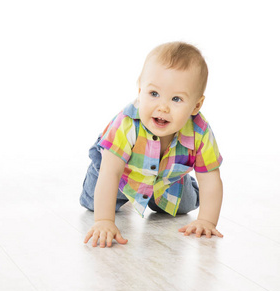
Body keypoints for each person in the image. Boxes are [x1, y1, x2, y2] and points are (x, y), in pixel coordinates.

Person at [80, 42, 224, 248]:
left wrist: (206, 221)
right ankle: (101, 182)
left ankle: (181, 182)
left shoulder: (200, 133)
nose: (163, 107)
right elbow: (110, 173)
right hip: (121, 175)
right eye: (154, 94)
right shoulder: (127, 123)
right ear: (140, 90)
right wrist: (104, 222)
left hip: (166, 179)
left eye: (176, 99)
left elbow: (211, 178)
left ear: (196, 105)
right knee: (94, 202)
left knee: (184, 207)